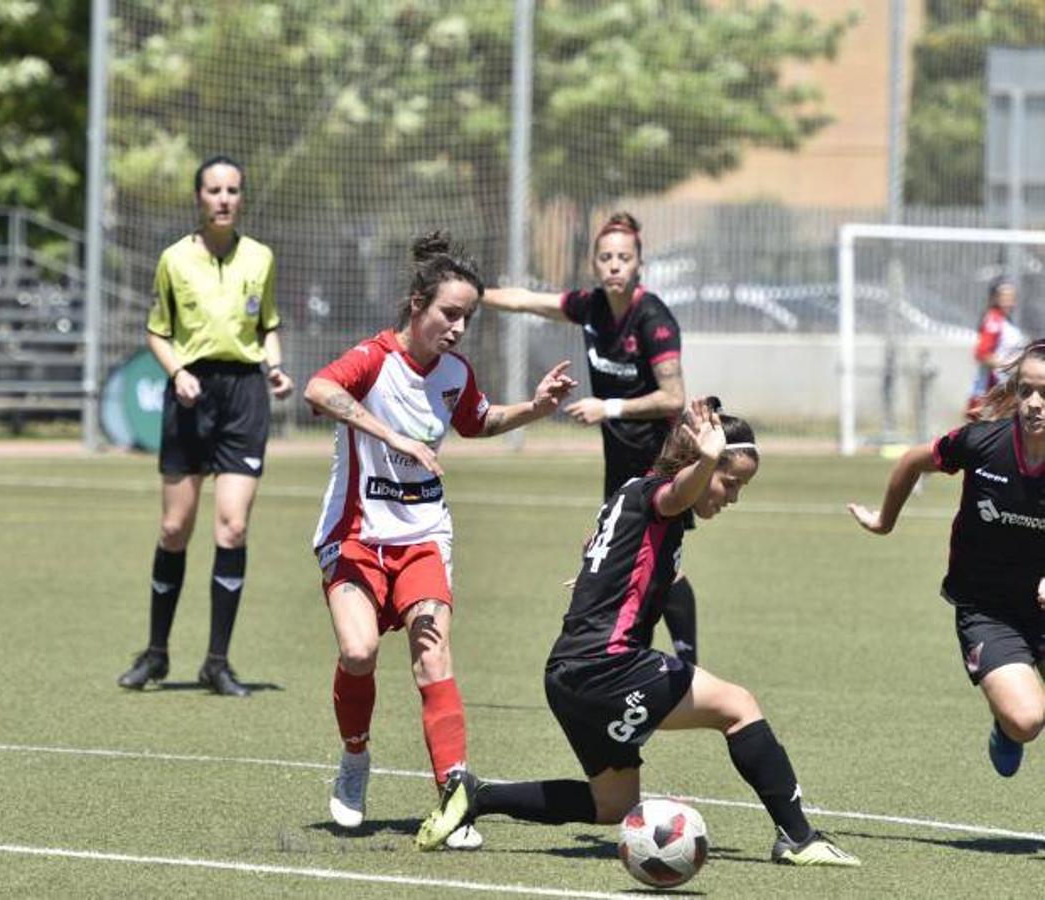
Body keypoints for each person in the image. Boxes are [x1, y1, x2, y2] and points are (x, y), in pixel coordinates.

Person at [416, 398, 860, 867]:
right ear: (698, 465)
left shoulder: (632, 492)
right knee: (738, 706)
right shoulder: (660, 498)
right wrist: (707, 456)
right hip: (608, 666)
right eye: (730, 482)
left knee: (613, 804)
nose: (733, 497)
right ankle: (799, 838)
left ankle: (476, 796)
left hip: (568, 675)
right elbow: (675, 496)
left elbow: (604, 551)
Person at [304, 231, 577, 850]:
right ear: (417, 304)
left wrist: (536, 407)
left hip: (424, 537)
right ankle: (355, 759)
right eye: (449, 313)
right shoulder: (373, 359)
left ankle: (454, 800)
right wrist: (393, 436)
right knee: (358, 653)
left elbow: (477, 421)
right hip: (355, 536)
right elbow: (319, 390)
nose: (457, 328)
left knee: (433, 655)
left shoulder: (454, 373)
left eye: (467, 318)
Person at [482, 212, 699, 664]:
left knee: (660, 564)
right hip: (620, 458)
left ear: (640, 264)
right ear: (594, 265)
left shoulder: (653, 319)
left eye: (624, 257)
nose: (614, 265)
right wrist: (471, 294)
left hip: (662, 458)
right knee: (616, 551)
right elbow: (525, 300)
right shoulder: (591, 306)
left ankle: (681, 656)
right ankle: (629, 648)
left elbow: (674, 397)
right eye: (606, 258)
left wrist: (609, 407)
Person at [117, 155, 294, 698]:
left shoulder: (260, 258)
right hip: (191, 395)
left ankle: (217, 662)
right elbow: (157, 332)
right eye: (214, 189)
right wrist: (177, 373)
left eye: (232, 190)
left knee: (232, 528)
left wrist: (276, 366)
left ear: (241, 198)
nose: (223, 198)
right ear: (198, 197)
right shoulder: (173, 260)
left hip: (243, 395)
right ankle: (156, 653)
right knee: (175, 529)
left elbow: (266, 326)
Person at [850, 339, 1045, 777]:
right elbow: (911, 461)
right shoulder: (983, 444)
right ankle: (1007, 725)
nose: (1034, 404)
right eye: (1027, 390)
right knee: (1026, 719)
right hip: (989, 610)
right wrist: (884, 521)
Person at [967, 278, 1026, 418]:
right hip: (991, 391)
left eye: (1011, 297)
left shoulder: (1007, 321)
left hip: (1005, 390)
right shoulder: (993, 319)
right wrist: (1010, 365)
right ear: (995, 298)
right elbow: (982, 353)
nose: (1009, 301)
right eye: (1004, 297)